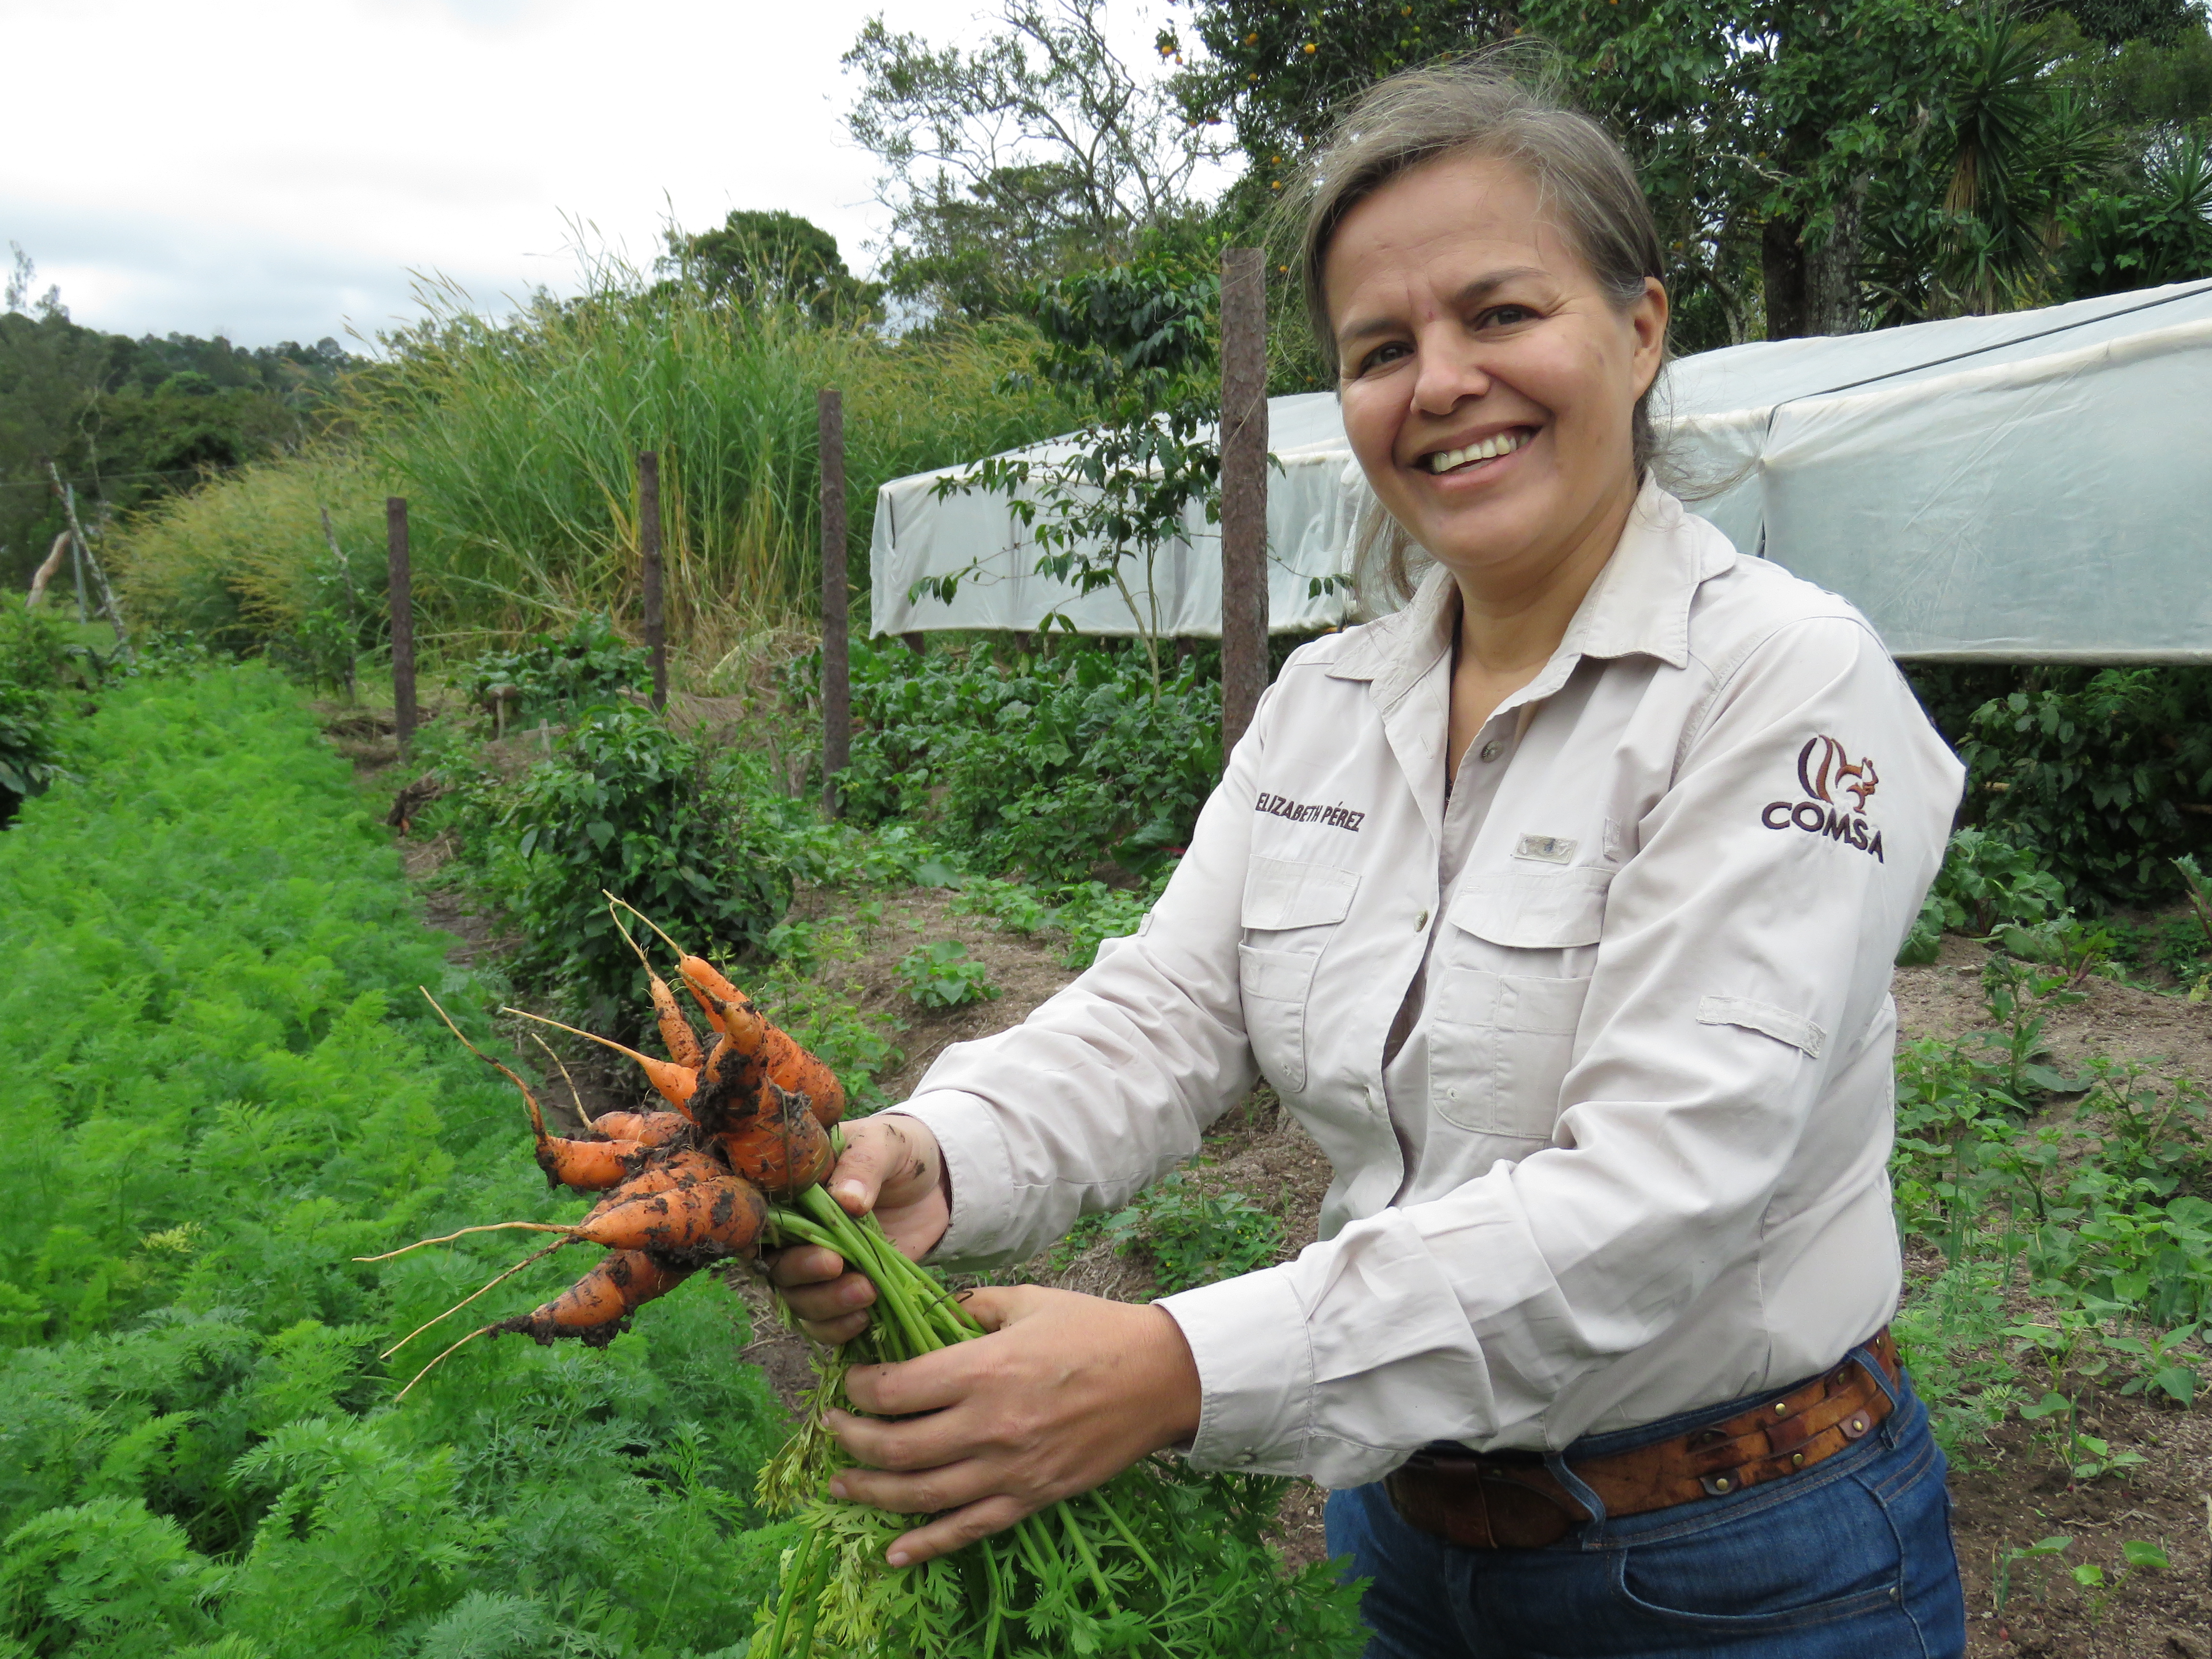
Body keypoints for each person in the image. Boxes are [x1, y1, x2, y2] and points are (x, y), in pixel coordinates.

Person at [771, 58, 1970, 1659]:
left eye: (1501, 313)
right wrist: (945, 1148)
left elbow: (1663, 1191)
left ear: (1640, 329)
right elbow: (1169, 1012)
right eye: (1382, 350)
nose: (1444, 382)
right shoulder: (1332, 702)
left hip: (1738, 1566)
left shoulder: (1780, 685)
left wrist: (1180, 1370)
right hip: (1396, 1536)